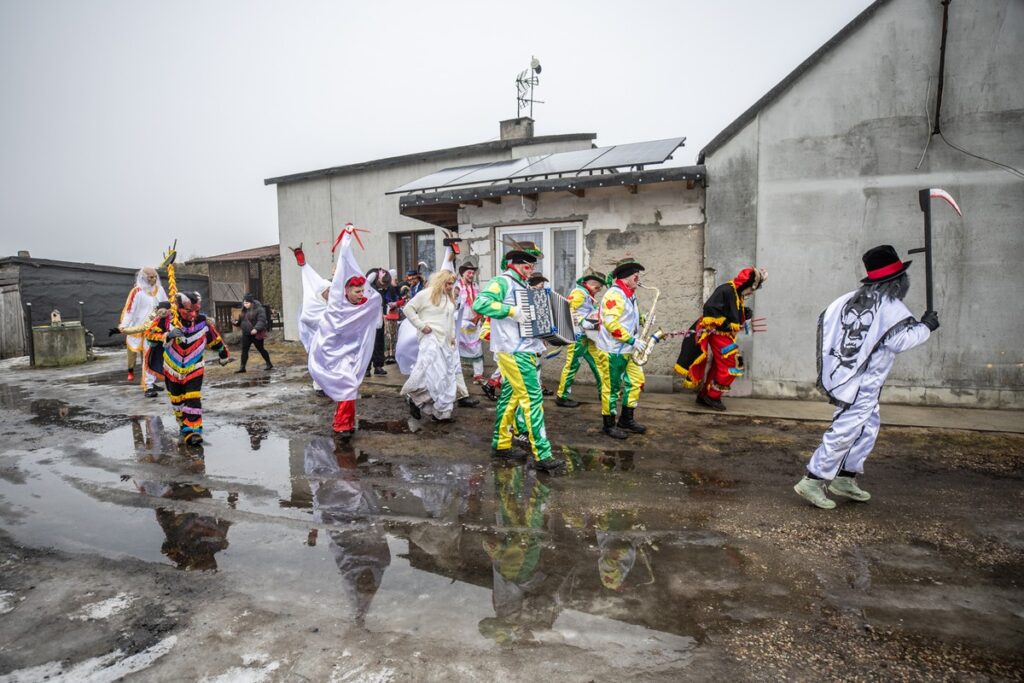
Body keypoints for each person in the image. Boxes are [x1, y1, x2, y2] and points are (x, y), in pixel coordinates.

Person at [794, 245, 938, 509]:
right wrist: (925, 327)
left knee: (868, 428)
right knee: (846, 430)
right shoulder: (890, 306)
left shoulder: (854, 298)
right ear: (899, 281)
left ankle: (845, 477)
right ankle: (812, 480)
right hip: (862, 380)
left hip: (856, 376)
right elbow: (900, 342)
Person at [472, 242, 565, 473]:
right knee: (533, 400)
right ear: (515, 264)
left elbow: (527, 320)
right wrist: (511, 311)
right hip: (513, 351)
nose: (531, 268)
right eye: (527, 264)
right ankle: (543, 454)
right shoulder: (502, 281)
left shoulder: (522, 286)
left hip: (522, 349)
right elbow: (480, 303)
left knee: (510, 398)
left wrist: (542, 335)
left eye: (533, 265)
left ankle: (501, 444)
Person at [307, 224, 383, 442]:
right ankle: (341, 426)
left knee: (350, 388)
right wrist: (347, 240)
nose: (361, 295)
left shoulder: (362, 305)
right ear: (346, 290)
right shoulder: (336, 306)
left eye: (362, 291)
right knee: (348, 386)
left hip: (348, 354)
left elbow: (375, 300)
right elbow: (342, 267)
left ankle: (346, 423)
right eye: (357, 291)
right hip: (330, 353)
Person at [674, 267, 767, 411]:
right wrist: (728, 325)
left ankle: (706, 394)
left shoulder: (736, 292)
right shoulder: (726, 290)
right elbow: (710, 310)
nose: (752, 292)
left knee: (720, 366)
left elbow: (731, 313)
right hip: (718, 335)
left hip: (726, 336)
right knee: (734, 365)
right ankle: (712, 396)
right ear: (747, 284)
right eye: (753, 288)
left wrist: (744, 315)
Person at [151, 291, 229, 445]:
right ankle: (183, 424)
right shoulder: (166, 319)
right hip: (171, 368)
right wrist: (168, 335)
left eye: (196, 310)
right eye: (189, 311)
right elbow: (150, 337)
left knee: (192, 398)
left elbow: (215, 339)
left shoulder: (202, 322)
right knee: (177, 400)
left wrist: (223, 353)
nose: (193, 314)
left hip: (194, 366)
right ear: (179, 308)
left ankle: (193, 431)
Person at [401, 269, 476, 421]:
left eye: (452, 284)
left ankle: (441, 412)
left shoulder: (448, 298)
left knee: (446, 377)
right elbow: (408, 309)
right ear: (440, 281)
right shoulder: (425, 294)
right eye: (448, 283)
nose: (450, 287)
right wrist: (421, 325)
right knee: (432, 375)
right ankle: (417, 399)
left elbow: (450, 320)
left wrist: (453, 336)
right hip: (431, 339)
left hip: (446, 342)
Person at [594, 259, 649, 439]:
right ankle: (608, 424)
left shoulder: (629, 294)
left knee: (636, 381)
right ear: (626, 277)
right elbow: (611, 323)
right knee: (611, 388)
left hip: (627, 350)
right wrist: (632, 340)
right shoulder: (614, 294)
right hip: (613, 350)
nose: (638, 279)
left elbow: (627, 316)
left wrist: (642, 319)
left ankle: (626, 419)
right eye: (636, 276)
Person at [555, 272, 608, 408]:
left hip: (588, 336)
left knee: (599, 362)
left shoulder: (587, 294)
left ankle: (604, 392)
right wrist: (584, 321)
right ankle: (562, 396)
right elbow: (568, 309)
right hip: (578, 336)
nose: (599, 290)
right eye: (598, 288)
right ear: (592, 285)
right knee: (572, 365)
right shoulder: (579, 293)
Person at [290, 243, 331, 394]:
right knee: (319, 362)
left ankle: (329, 385)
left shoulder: (329, 303)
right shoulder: (312, 303)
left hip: (329, 339)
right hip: (316, 339)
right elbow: (307, 318)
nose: (331, 293)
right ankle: (319, 386)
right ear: (323, 292)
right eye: (329, 290)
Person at [118, 266, 167, 384]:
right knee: (146, 355)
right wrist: (124, 325)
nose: (154, 279)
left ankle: (151, 382)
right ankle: (148, 385)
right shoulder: (137, 291)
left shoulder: (159, 289)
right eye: (151, 277)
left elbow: (166, 304)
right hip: (141, 329)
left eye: (155, 277)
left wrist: (165, 311)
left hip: (156, 329)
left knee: (152, 356)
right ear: (144, 277)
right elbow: (130, 310)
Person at [119, 300, 171, 397]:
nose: (163, 312)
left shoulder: (172, 318)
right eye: (161, 310)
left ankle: (154, 383)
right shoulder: (152, 319)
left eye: (166, 311)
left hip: (163, 344)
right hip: (150, 343)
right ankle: (148, 387)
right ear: (158, 310)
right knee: (148, 362)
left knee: (160, 362)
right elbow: (141, 328)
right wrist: (125, 330)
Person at [454, 263, 485, 384]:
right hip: (461, 323)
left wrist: (481, 316)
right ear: (463, 273)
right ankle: (455, 375)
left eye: (473, 273)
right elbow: (453, 305)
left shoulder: (476, 286)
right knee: (456, 349)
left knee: (477, 348)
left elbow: (480, 302)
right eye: (469, 273)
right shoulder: (457, 287)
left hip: (475, 322)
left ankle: (478, 375)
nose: (472, 275)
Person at [233, 293, 273, 373]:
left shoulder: (259, 309)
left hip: (255, 334)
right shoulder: (244, 310)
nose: (245, 305)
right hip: (246, 333)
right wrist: (236, 323)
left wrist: (256, 329)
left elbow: (262, 320)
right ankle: (242, 367)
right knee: (244, 350)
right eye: (244, 303)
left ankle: (269, 364)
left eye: (247, 303)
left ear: (251, 302)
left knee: (261, 349)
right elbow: (242, 320)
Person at [365, 267, 388, 377]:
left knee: (379, 343)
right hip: (368, 320)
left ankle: (378, 366)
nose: (383, 286)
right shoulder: (369, 287)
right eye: (382, 283)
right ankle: (366, 368)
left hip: (379, 319)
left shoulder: (380, 289)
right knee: (368, 344)